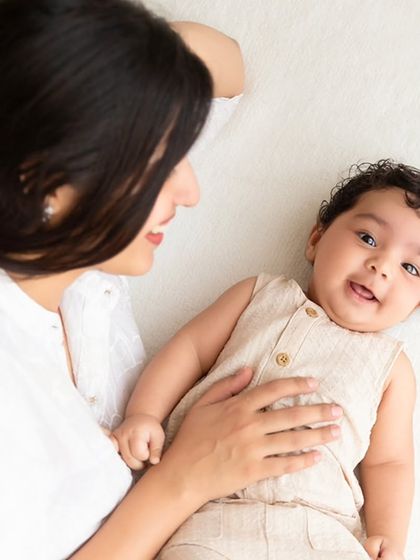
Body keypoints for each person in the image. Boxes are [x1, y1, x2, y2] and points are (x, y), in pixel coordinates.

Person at [0, 1, 343, 559]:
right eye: (162, 164)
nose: (190, 192)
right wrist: (186, 477)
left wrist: (110, 54)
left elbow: (224, 70)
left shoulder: (83, 267)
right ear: (44, 175)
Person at [113, 160, 417, 560]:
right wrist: (144, 414)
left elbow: (391, 462)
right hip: (210, 515)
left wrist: (389, 536)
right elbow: (188, 350)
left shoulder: (391, 365)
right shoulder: (258, 296)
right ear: (316, 238)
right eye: (368, 238)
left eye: (411, 267)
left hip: (321, 528)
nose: (381, 267)